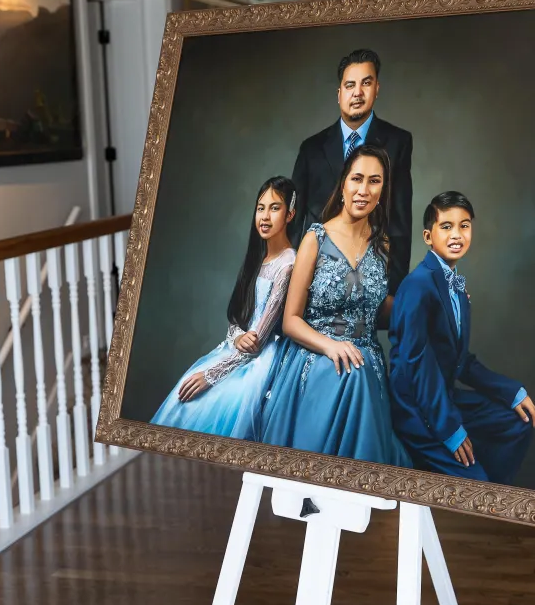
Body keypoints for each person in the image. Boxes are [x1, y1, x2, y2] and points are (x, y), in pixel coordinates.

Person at [253, 144, 412, 468]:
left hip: (367, 359)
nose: (363, 190)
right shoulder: (315, 238)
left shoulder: (382, 244)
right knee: (351, 372)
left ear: (383, 190)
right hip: (316, 353)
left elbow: (376, 309)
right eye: (356, 179)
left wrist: (430, 301)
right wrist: (331, 346)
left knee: (360, 369)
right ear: (343, 184)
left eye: (374, 181)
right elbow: (290, 321)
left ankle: (354, 496)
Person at [387, 191, 535, 484]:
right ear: (428, 236)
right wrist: (450, 430)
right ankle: (477, 489)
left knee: (519, 422)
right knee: (476, 482)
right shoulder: (418, 286)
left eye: (464, 225)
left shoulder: (455, 285)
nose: (457, 234)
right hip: (416, 410)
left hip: (445, 396)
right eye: (446, 226)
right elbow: (417, 366)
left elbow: (461, 362)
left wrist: (512, 391)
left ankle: (493, 493)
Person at [150, 177, 298, 438]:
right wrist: (237, 335)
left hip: (260, 361)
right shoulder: (259, 257)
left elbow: (259, 340)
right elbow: (237, 317)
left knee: (209, 405)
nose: (265, 216)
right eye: (260, 207)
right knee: (180, 401)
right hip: (236, 348)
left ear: (290, 214)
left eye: (275, 208)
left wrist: (212, 375)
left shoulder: (288, 265)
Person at [290, 48, 413, 307]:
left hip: (370, 277)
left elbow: (400, 224)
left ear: (377, 88)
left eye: (366, 83)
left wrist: (395, 292)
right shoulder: (311, 148)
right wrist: (288, 284)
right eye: (350, 85)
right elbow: (294, 221)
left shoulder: (398, 142)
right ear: (339, 94)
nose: (358, 92)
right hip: (316, 278)